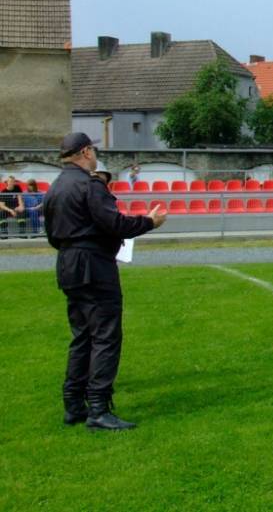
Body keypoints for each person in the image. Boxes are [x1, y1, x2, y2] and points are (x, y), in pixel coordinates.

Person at [43, 133, 167, 431]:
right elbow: (114, 224)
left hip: (68, 263)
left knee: (83, 334)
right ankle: (99, 406)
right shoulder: (89, 185)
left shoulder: (55, 187)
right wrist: (149, 222)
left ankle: (74, 403)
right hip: (93, 265)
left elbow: (51, 235)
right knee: (106, 335)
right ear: (86, 152)